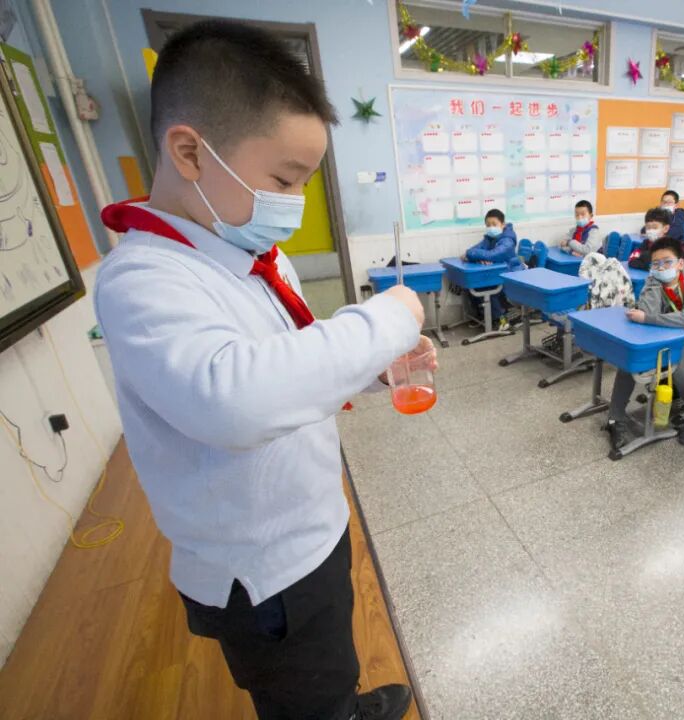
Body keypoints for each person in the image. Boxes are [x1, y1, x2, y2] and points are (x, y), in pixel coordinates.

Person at [94, 20, 420, 720]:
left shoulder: (252, 255)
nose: (293, 203)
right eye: (283, 179)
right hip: (262, 569)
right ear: (190, 151)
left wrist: (374, 369)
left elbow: (288, 361)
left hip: (312, 522)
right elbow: (235, 399)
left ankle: (346, 705)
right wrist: (387, 321)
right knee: (302, 692)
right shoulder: (143, 279)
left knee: (331, 655)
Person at [608, 238, 684, 448]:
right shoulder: (653, 281)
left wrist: (647, 318)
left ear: (680, 263)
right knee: (629, 362)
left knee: (681, 373)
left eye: (667, 262)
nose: (661, 267)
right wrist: (653, 285)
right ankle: (615, 418)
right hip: (659, 338)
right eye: (656, 263)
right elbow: (647, 310)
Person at [462, 209, 523, 330]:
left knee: (488, 287)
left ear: (503, 224)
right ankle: (484, 317)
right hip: (497, 272)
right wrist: (480, 258)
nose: (491, 227)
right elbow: (474, 251)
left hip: (511, 273)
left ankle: (501, 321)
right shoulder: (489, 238)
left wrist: (474, 255)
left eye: (494, 224)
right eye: (488, 225)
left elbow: (491, 255)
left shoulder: (508, 241)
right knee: (473, 285)